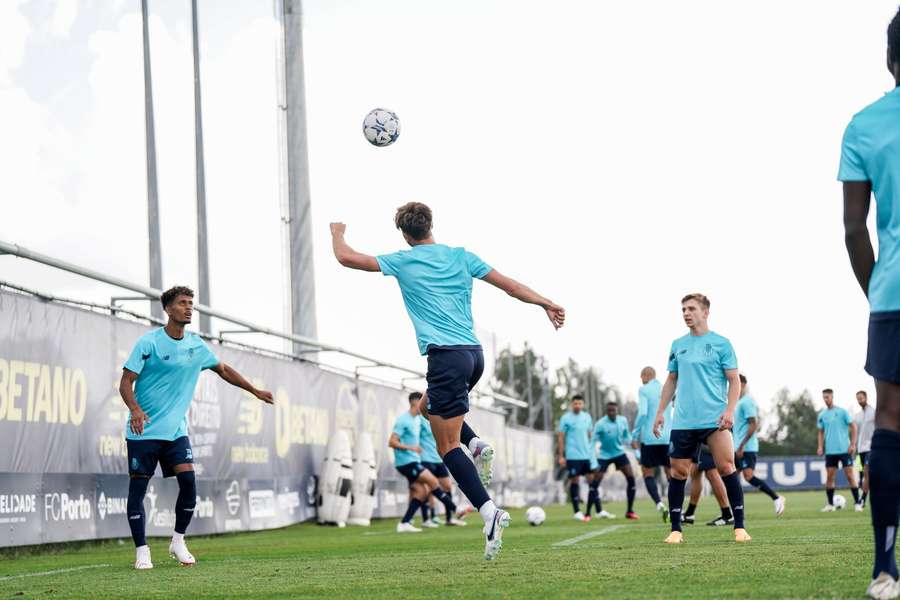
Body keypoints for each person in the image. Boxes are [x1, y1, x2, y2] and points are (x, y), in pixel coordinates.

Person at [330, 203, 564, 560]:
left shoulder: (403, 260)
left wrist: (337, 232)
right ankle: (478, 446)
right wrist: (546, 303)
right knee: (426, 407)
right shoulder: (461, 256)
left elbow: (346, 258)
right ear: (431, 226)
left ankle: (489, 513)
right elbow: (511, 286)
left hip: (445, 358)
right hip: (474, 357)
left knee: (446, 446)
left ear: (406, 235)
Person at [119, 286, 274, 569]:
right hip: (144, 431)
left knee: (189, 482)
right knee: (137, 491)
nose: (189, 308)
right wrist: (135, 410)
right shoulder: (149, 343)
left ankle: (178, 541)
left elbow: (224, 370)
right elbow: (126, 382)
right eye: (182, 303)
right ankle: (142, 550)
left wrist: (254, 391)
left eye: (191, 303)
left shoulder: (196, 346)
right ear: (168, 309)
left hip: (176, 431)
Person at [840, 9, 900, 595]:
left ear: (890, 59)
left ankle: (886, 568)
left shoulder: (864, 124)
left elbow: (855, 230)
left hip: (894, 296)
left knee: (891, 421)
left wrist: (876, 290)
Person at [653, 293, 750, 544]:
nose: (686, 313)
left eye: (691, 309)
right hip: (683, 420)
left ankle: (739, 527)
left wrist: (729, 411)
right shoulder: (677, 345)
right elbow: (671, 380)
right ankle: (676, 529)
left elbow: (734, 381)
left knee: (727, 467)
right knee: (678, 473)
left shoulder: (722, 343)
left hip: (714, 420)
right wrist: (660, 412)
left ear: (705, 312)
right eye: (683, 309)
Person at [389, 394, 455, 532]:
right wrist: (411, 448)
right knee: (433, 482)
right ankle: (454, 508)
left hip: (413, 460)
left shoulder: (417, 420)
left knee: (421, 491)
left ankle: (405, 523)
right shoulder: (403, 420)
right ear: (415, 403)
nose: (425, 405)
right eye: (423, 402)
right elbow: (392, 442)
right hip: (406, 462)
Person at [412, 392, 467, 527]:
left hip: (438, 458)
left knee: (447, 486)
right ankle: (426, 519)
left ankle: (449, 518)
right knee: (428, 488)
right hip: (425, 458)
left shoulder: (434, 416)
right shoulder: (417, 420)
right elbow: (413, 438)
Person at [733, 375, 785, 516]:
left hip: (746, 448)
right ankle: (732, 511)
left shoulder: (746, 402)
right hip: (736, 447)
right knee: (730, 476)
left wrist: (742, 445)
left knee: (748, 476)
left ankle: (776, 498)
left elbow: (753, 424)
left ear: (743, 384)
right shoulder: (736, 403)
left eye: (735, 382)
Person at [632, 367, 671, 521]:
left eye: (641, 376)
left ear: (645, 376)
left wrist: (635, 433)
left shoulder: (643, 389)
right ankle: (676, 505)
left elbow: (642, 413)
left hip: (649, 437)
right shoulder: (666, 388)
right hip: (667, 437)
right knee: (671, 473)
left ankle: (659, 503)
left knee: (647, 472)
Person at [590, 401, 638, 519]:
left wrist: (632, 443)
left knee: (631, 479)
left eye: (614, 410)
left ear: (617, 411)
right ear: (606, 412)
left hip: (619, 453)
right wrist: (593, 460)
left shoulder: (623, 421)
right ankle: (594, 512)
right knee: (595, 483)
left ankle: (630, 511)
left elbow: (626, 436)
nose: (611, 412)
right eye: (609, 410)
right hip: (604, 456)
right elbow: (592, 442)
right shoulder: (600, 424)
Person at [816, 389, 861, 512]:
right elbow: (820, 432)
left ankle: (857, 503)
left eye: (827, 397)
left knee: (850, 476)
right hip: (830, 451)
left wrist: (852, 444)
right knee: (830, 478)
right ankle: (830, 505)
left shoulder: (842, 412)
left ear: (832, 397)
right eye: (824, 397)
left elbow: (854, 427)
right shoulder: (822, 415)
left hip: (844, 450)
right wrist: (820, 446)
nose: (826, 399)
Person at [557, 395, 594, 521]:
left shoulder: (587, 417)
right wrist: (561, 456)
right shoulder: (565, 418)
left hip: (586, 455)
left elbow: (590, 436)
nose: (577, 405)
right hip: (573, 456)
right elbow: (561, 437)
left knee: (592, 481)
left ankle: (595, 510)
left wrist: (592, 453)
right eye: (575, 403)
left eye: (580, 403)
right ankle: (577, 511)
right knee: (575, 481)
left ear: (583, 405)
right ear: (571, 404)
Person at [683, 447, 733, 527]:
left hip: (707, 439)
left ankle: (727, 515)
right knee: (695, 471)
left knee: (711, 473)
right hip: (699, 440)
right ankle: (689, 514)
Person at [854, 390, 876, 508]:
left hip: (870, 448)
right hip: (859, 450)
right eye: (858, 398)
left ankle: (861, 501)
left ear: (866, 397)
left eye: (861, 398)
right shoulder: (857, 416)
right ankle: (861, 499)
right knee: (861, 476)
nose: (859, 400)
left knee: (867, 474)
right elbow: (855, 433)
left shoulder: (874, 412)